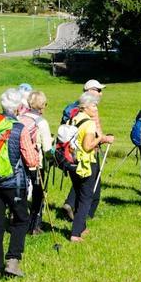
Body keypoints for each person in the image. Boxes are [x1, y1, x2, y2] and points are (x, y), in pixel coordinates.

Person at [0, 88, 39, 282]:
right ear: (18, 108)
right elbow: (31, 160)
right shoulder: (20, 128)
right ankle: (13, 260)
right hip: (14, 184)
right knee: (22, 219)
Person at [68, 92, 114, 242]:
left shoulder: (72, 119)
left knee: (78, 192)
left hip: (72, 161)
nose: (96, 108)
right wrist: (100, 138)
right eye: (93, 105)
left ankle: (81, 227)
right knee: (86, 197)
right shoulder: (89, 123)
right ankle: (75, 233)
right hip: (86, 163)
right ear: (85, 106)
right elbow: (88, 146)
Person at [62, 79, 110, 220]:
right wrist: (104, 139)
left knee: (80, 176)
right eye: (99, 90)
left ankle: (71, 204)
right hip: (89, 149)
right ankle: (85, 215)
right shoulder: (91, 109)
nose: (101, 94)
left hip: (72, 149)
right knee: (89, 179)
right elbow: (95, 130)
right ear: (91, 91)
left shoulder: (77, 107)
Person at [18, 90, 53, 235]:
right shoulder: (41, 122)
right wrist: (51, 159)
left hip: (18, 161)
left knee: (21, 191)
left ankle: (18, 220)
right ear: (42, 105)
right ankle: (34, 226)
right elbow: (47, 148)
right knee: (38, 194)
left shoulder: (19, 118)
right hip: (35, 163)